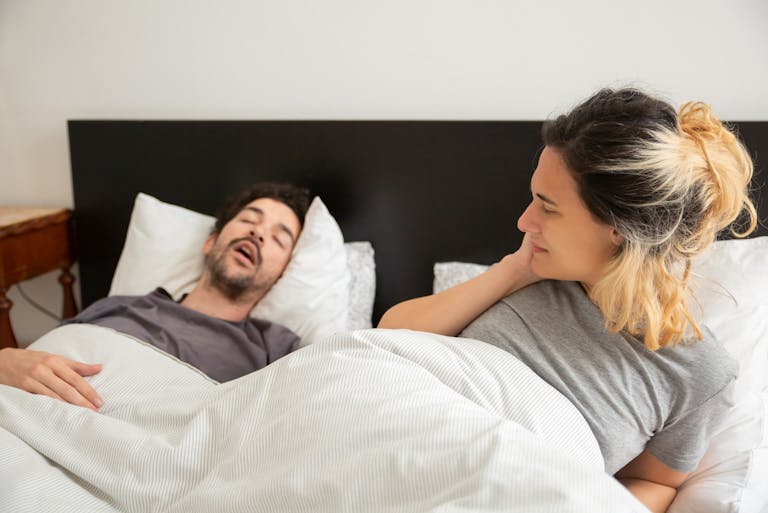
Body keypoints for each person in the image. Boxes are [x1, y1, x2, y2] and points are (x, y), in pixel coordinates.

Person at [378, 88, 757, 512]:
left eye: (547, 207)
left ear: (619, 227)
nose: (525, 221)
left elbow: (652, 482)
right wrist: (512, 270)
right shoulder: (536, 271)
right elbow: (389, 339)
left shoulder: (701, 375)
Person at [0, 182, 310, 411]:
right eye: (248, 220)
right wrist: (5, 360)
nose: (257, 233)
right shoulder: (120, 306)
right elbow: (44, 359)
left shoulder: (274, 348)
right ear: (211, 242)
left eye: (278, 238)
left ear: (281, 274)